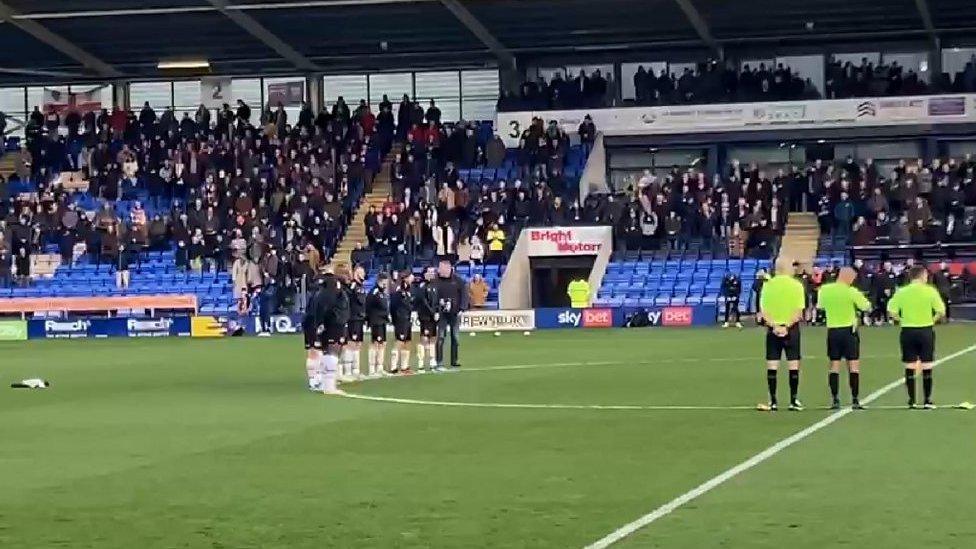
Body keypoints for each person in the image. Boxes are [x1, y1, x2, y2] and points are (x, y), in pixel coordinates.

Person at [887, 266, 946, 409]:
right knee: (927, 365)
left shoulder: (902, 292)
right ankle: (927, 400)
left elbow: (891, 310)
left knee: (910, 365)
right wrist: (932, 320)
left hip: (908, 331)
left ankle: (912, 400)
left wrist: (901, 320)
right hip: (925, 330)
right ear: (922, 276)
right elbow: (941, 311)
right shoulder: (930, 291)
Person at [816, 267, 872, 410]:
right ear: (848, 277)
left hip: (833, 330)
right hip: (849, 331)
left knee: (834, 365)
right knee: (853, 365)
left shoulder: (825, 290)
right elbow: (866, 306)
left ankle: (835, 399)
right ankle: (855, 399)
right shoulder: (851, 292)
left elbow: (820, 306)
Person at [758, 256, 807, 411]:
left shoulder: (767, 286)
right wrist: (786, 326)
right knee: (793, 364)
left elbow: (764, 312)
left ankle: (773, 401)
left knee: (772, 364)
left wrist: (774, 326)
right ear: (787, 268)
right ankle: (793, 400)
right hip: (791, 329)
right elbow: (798, 312)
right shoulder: (797, 286)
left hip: (773, 330)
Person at [314, 264, 351, 395]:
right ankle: (329, 386)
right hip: (334, 323)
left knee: (327, 352)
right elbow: (328, 306)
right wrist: (330, 320)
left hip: (329, 322)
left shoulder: (322, 288)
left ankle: (326, 383)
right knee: (332, 351)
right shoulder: (333, 287)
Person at [432, 260, 468, 371]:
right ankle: (439, 362)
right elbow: (433, 296)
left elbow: (464, 295)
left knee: (455, 338)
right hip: (441, 314)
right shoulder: (435, 281)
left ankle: (454, 361)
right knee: (441, 337)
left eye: (441, 268)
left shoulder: (458, 281)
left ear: (448, 268)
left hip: (455, 313)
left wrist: (462, 308)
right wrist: (435, 310)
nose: (439, 270)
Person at [342, 265, 368, 381]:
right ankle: (348, 371)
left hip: (360, 318)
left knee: (358, 344)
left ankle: (356, 370)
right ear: (356, 273)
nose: (363, 274)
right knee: (351, 343)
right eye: (361, 272)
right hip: (353, 318)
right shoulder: (352, 286)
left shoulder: (361, 286)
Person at [413, 267, 440, 372]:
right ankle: (421, 361)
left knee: (433, 337)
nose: (432, 274)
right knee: (424, 338)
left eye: (433, 272)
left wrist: (437, 312)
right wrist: (433, 313)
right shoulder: (422, 286)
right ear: (425, 274)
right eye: (430, 272)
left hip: (433, 316)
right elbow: (424, 302)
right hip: (425, 316)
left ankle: (432, 360)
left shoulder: (435, 285)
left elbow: (436, 301)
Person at [365, 272, 391, 377]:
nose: (386, 283)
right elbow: (368, 306)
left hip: (382, 321)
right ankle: (372, 368)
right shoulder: (374, 292)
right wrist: (369, 319)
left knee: (382, 343)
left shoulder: (382, 292)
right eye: (385, 281)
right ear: (381, 281)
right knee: (375, 343)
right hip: (376, 321)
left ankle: (379, 367)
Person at [390, 272, 415, 374]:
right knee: (399, 341)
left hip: (407, 319)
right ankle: (393, 366)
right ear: (405, 278)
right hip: (400, 319)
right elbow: (393, 306)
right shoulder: (398, 290)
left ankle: (404, 366)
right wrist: (395, 319)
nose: (412, 278)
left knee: (407, 341)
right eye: (410, 276)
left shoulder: (409, 289)